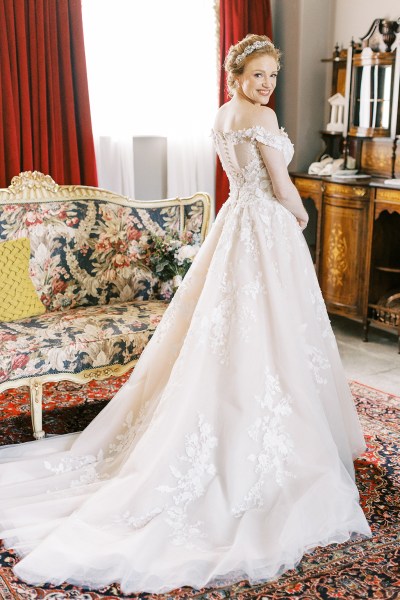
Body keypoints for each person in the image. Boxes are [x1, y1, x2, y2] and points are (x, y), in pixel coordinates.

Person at [0, 34, 371, 594]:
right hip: (265, 228)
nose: (268, 84)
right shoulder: (262, 119)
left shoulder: (223, 114)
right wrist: (300, 221)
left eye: (273, 75)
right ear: (237, 73)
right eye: (259, 75)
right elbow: (280, 185)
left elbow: (239, 176)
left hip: (234, 225)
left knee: (229, 334)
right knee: (269, 335)